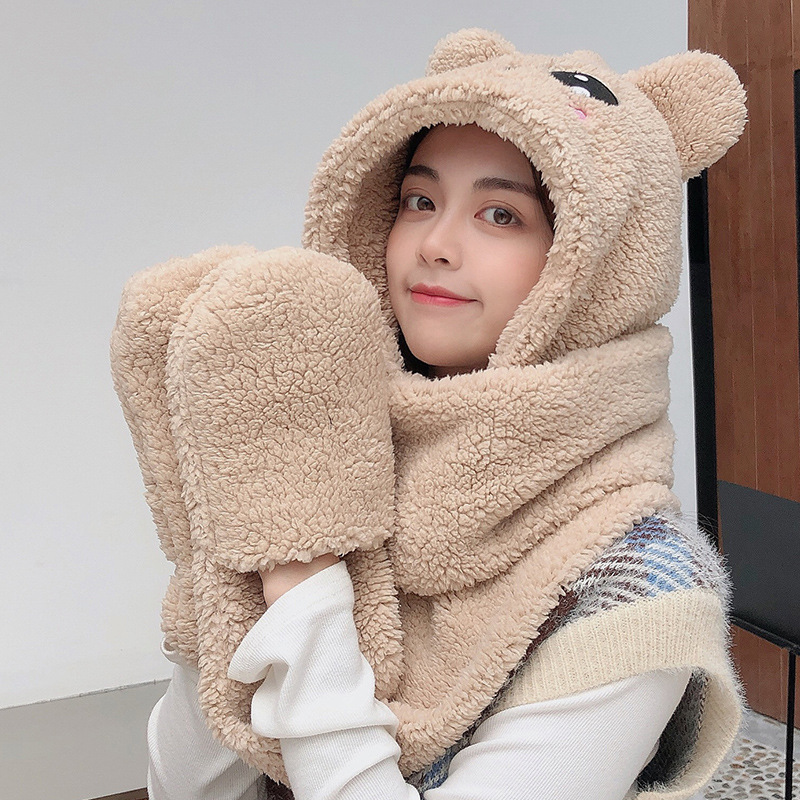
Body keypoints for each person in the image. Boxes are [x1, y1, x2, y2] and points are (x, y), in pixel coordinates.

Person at [113, 28, 748, 800]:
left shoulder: (639, 586)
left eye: (501, 215)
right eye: (420, 201)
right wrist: (231, 546)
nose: (436, 244)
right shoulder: (321, 453)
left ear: (601, 268)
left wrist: (305, 588)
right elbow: (188, 789)